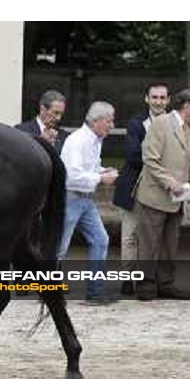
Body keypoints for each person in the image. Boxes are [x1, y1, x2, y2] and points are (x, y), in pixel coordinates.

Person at [134, 89, 190, 301]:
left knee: (170, 244)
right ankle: (145, 286)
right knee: (149, 243)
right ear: (188, 107)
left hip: (176, 199)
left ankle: (165, 284)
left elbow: (182, 166)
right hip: (155, 196)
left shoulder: (189, 131)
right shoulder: (161, 124)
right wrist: (170, 182)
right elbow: (150, 159)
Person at [113, 83, 171, 296]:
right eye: (154, 97)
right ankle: (128, 278)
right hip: (135, 186)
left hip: (163, 187)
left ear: (168, 100)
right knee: (131, 234)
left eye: (162, 97)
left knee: (158, 236)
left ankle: (152, 279)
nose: (158, 101)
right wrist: (158, 161)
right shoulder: (136, 123)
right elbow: (131, 154)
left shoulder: (175, 123)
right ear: (146, 99)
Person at [58, 102, 118, 305]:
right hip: (70, 197)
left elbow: (85, 169)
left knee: (100, 239)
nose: (112, 125)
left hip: (84, 199)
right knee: (60, 247)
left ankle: (95, 291)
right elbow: (72, 176)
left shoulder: (93, 140)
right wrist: (101, 178)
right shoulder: (78, 141)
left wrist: (101, 170)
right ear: (97, 121)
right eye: (109, 121)